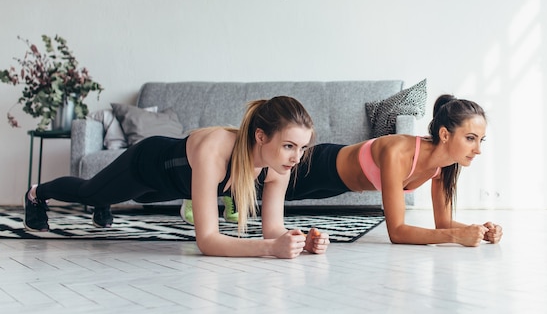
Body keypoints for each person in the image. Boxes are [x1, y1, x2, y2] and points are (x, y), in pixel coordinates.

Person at [22, 96, 330, 258]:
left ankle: (107, 201)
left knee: (108, 195)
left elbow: (273, 229)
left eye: (302, 147)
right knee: (92, 192)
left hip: (167, 189)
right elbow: (207, 241)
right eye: (289, 146)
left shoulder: (279, 167)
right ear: (261, 136)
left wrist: (300, 241)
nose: (297, 156)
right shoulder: (216, 149)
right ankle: (37, 194)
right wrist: (269, 250)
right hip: (146, 167)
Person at [210, 94, 499, 246]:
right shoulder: (398, 152)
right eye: (470, 138)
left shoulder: (445, 167)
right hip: (318, 167)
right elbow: (397, 232)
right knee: (246, 172)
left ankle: (222, 194)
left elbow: (444, 224)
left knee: (253, 187)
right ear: (446, 135)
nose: (477, 149)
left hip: (335, 186)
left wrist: (478, 230)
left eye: (480, 140)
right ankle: (203, 181)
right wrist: (454, 239)